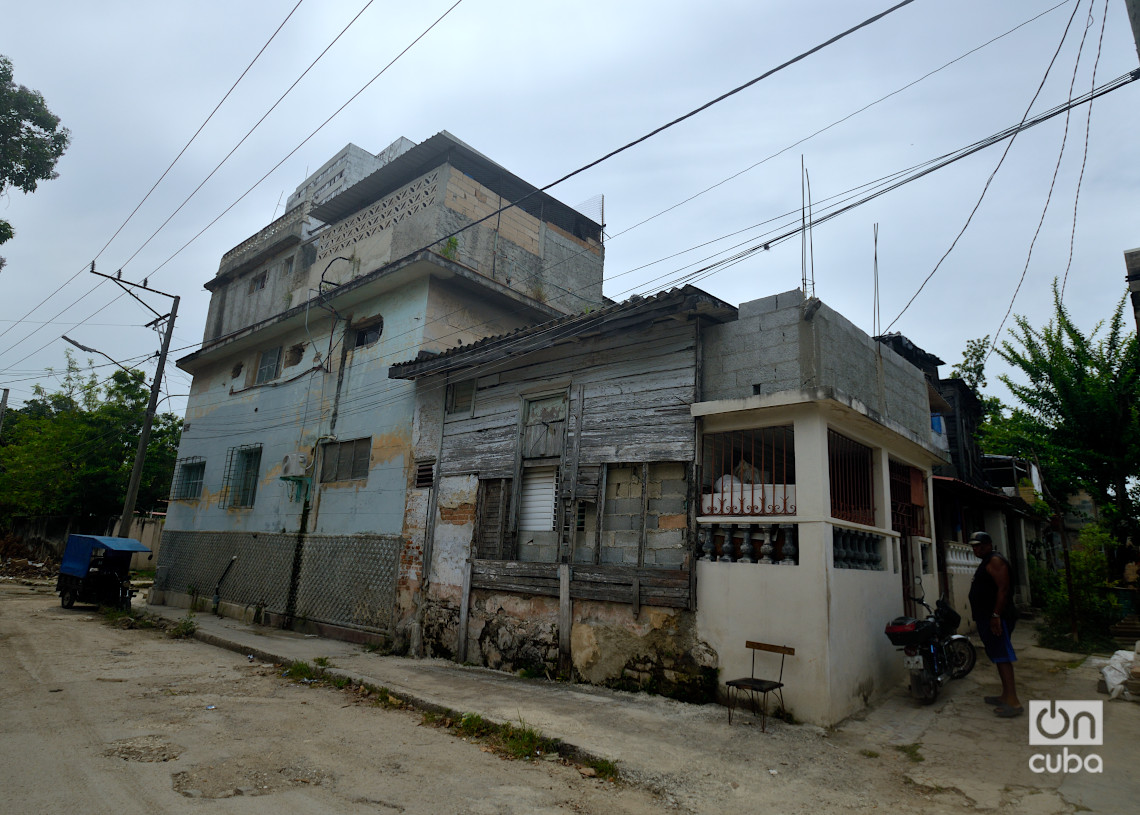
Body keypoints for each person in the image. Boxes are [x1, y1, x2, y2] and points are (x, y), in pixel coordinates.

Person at [967, 530, 1022, 717]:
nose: (977, 549)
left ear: (989, 545)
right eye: (974, 546)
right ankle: (1005, 695)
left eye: (980, 545)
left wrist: (996, 615)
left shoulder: (995, 561)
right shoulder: (986, 562)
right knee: (998, 656)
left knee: (1003, 655)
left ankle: (1013, 702)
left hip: (998, 618)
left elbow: (1003, 589)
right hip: (987, 617)